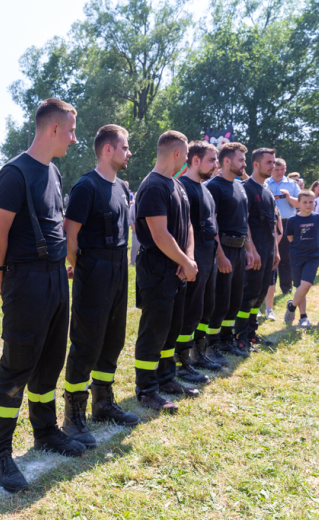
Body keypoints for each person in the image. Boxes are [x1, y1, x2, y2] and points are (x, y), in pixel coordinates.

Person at [0, 98, 85, 493]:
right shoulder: (14, 174)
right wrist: (0, 277)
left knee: (49, 360)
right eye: (72, 130)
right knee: (16, 366)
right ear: (53, 129)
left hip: (55, 278)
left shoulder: (54, 172)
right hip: (25, 280)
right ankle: (0, 454)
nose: (75, 139)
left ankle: (45, 432)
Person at [62, 124, 140, 449]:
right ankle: (73, 416)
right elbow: (70, 234)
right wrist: (83, 269)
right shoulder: (86, 186)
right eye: (124, 147)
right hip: (93, 268)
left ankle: (103, 403)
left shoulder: (121, 187)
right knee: (86, 342)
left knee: (113, 338)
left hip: (118, 266)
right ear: (107, 150)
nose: (129, 153)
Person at [133, 130, 197, 411]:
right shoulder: (154, 186)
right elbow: (159, 235)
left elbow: (188, 227)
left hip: (178, 269)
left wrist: (188, 259)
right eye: (184, 153)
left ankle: (166, 377)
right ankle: (146, 390)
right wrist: (185, 262)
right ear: (177, 154)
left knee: (171, 329)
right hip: (158, 270)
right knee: (154, 331)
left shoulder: (176, 185)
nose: (186, 158)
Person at [205, 143, 256, 359]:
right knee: (220, 300)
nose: (244, 164)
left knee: (235, 300)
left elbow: (243, 222)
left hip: (239, 251)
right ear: (227, 161)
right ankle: (210, 345)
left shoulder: (239, 186)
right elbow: (211, 224)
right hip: (222, 250)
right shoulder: (213, 187)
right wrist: (220, 255)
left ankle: (227, 341)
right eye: (241, 160)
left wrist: (249, 248)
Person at [175, 140, 222, 375]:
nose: (216, 165)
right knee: (191, 307)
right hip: (193, 254)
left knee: (207, 305)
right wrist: (186, 259)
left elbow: (213, 223)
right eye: (211, 160)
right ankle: (181, 360)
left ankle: (198, 353)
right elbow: (182, 228)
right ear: (196, 160)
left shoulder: (206, 188)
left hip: (209, 252)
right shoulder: (182, 186)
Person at [234, 148, 279, 351]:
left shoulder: (267, 190)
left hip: (269, 250)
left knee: (261, 294)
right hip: (254, 252)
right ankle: (240, 335)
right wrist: (251, 249)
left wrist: (275, 250)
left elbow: (272, 224)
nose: (273, 166)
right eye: (269, 162)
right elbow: (245, 223)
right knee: (249, 294)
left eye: (274, 162)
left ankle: (252, 333)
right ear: (256, 164)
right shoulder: (246, 189)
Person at [284, 190, 319, 328]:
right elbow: (291, 238)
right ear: (298, 203)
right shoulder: (292, 220)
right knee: (299, 287)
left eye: (311, 202)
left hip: (313, 256)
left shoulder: (318, 218)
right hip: (297, 256)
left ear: (315, 202)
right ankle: (303, 317)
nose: (308, 205)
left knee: (306, 285)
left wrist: (318, 253)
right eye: (305, 202)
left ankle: (291, 306)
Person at [265, 159, 300, 294]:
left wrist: (288, 197)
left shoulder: (292, 184)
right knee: (270, 255)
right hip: (269, 223)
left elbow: (299, 203)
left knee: (286, 256)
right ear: (272, 168)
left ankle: (286, 288)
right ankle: (268, 287)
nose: (279, 172)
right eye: (276, 169)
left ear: (285, 169)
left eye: (282, 169)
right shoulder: (265, 182)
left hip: (288, 222)